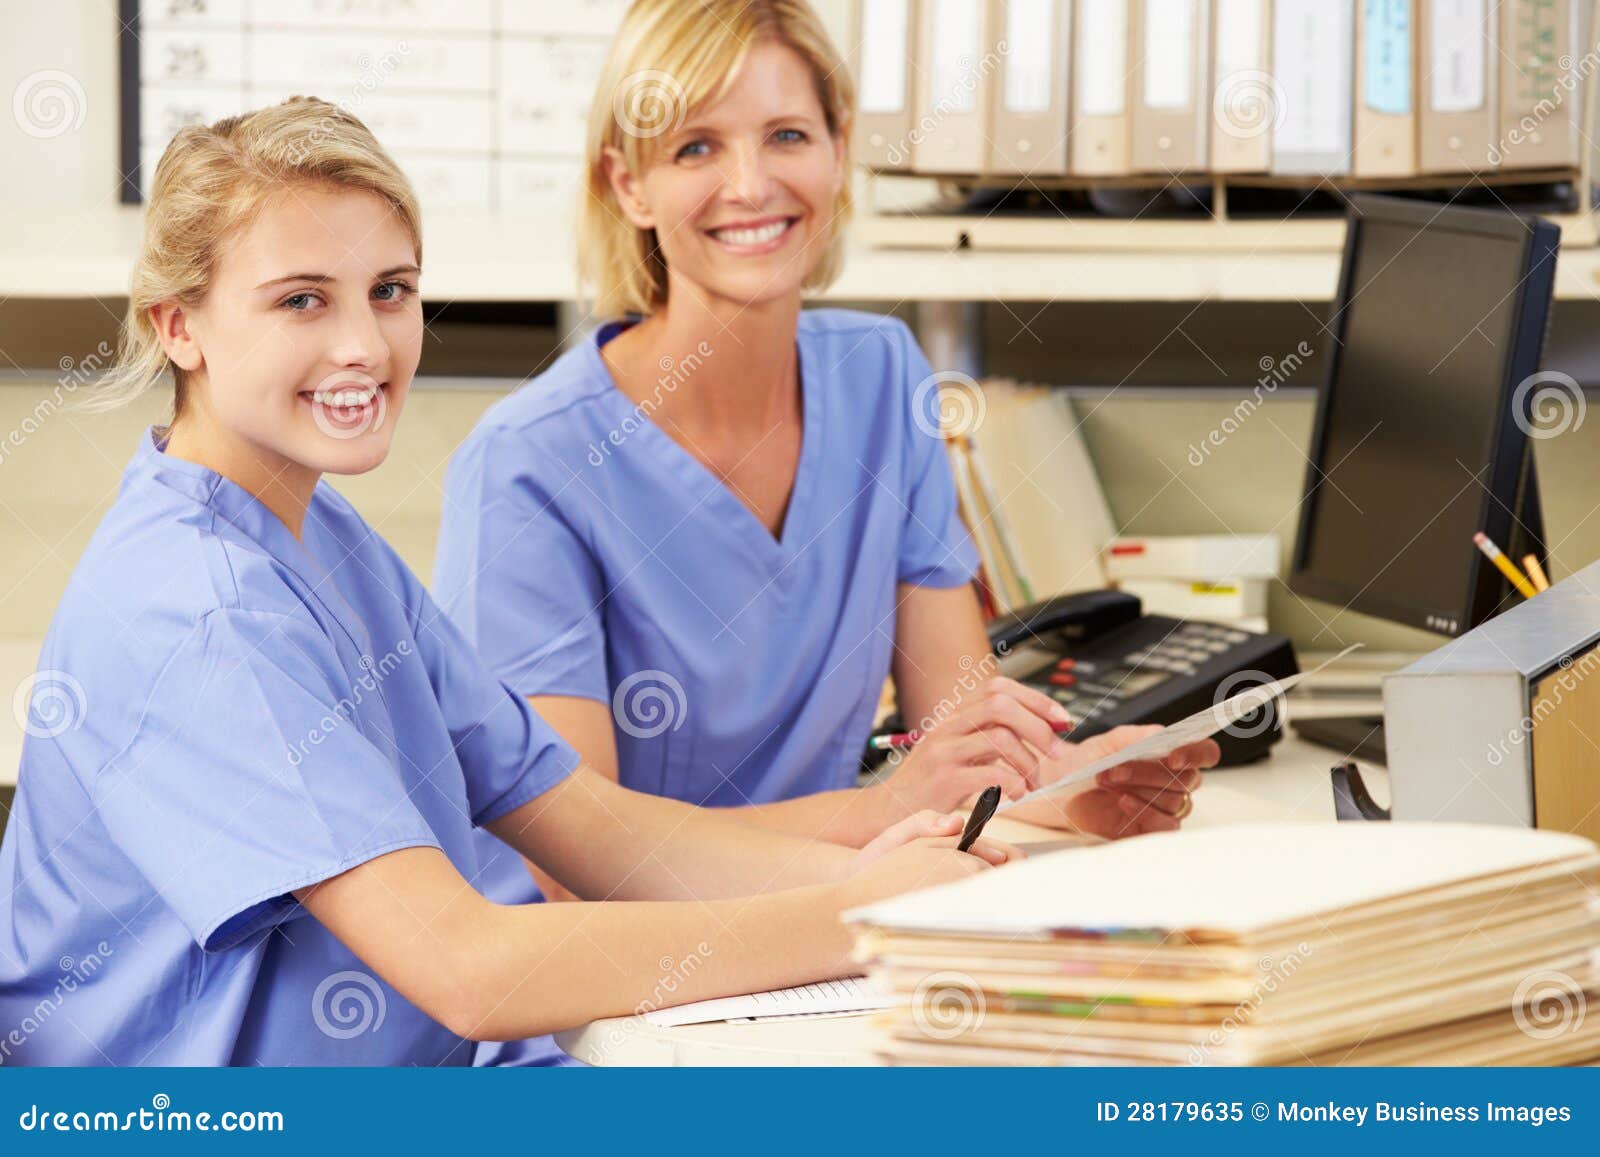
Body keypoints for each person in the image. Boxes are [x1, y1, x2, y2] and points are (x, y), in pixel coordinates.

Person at [0, 97, 1022, 1067]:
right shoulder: (199, 607)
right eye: (301, 299)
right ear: (179, 325)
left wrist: (889, 866)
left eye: (389, 291)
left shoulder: (321, 538)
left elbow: (588, 824)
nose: (363, 344)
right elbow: (464, 967)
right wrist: (864, 912)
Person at [433, 0, 1218, 1065]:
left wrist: (1073, 789)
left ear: (841, 154)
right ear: (630, 185)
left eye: (787, 136)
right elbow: (577, 861)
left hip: (833, 951)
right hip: (617, 1004)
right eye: (696, 147)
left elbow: (961, 739)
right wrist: (880, 815)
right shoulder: (527, 463)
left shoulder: (880, 375)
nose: (751, 185)